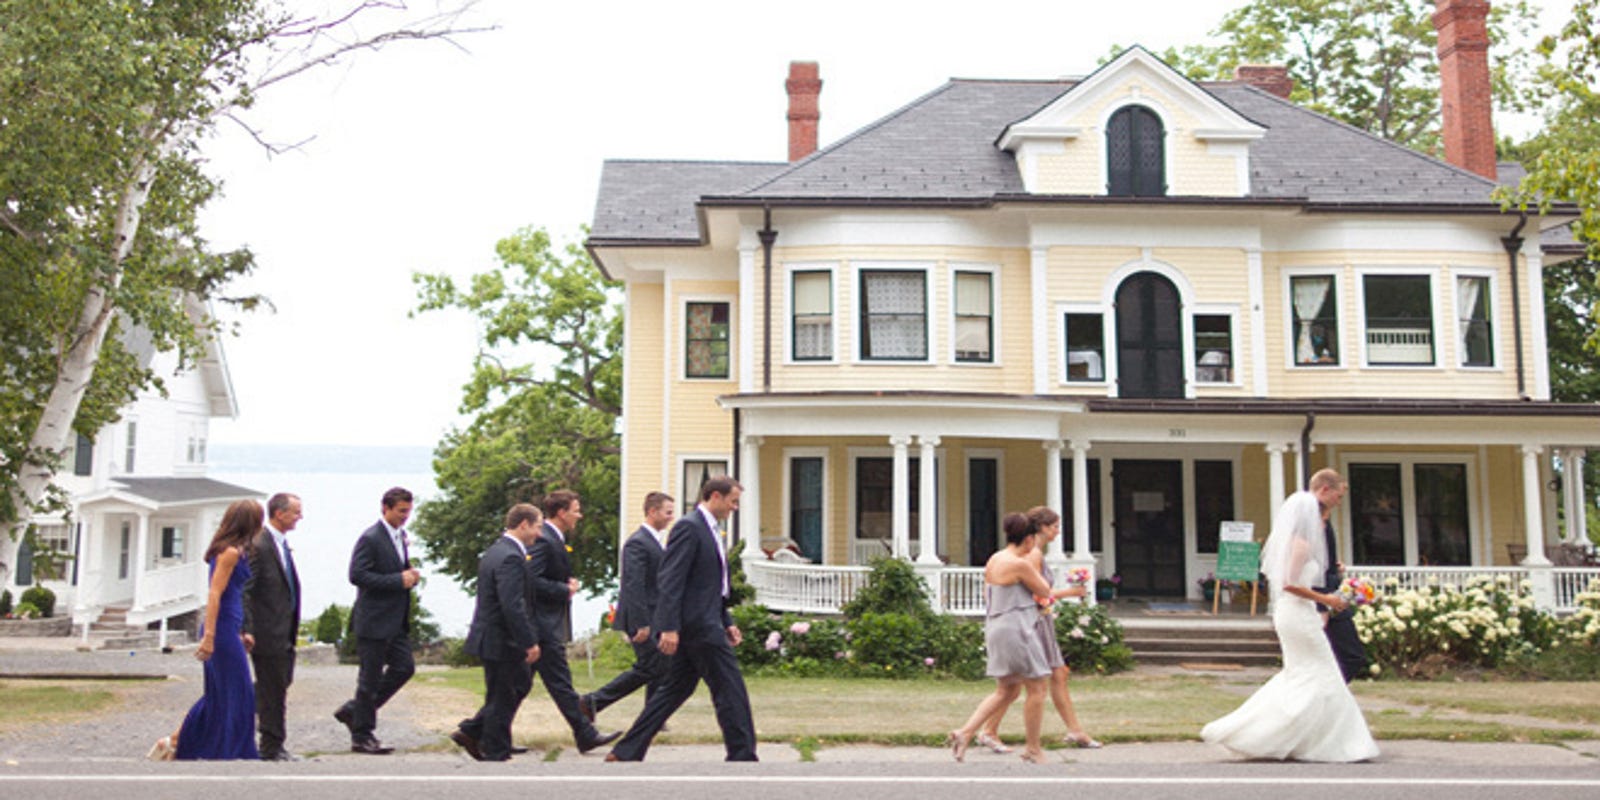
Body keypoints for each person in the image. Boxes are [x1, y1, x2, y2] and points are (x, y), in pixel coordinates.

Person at [1200, 470, 1379, 762]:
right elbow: (1288, 583)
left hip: (1298, 612)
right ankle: (1299, 736)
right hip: (1298, 614)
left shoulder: (1304, 544)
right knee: (1320, 673)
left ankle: (1306, 735)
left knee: (1306, 676)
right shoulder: (1302, 543)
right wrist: (1326, 600)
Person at [606, 477, 757, 762]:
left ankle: (626, 750)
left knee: (674, 690)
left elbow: (711, 585)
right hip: (697, 626)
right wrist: (669, 626)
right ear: (715, 496)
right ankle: (742, 755)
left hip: (708, 620)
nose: (735, 508)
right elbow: (671, 580)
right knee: (730, 688)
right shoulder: (690, 527)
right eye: (732, 501)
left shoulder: (712, 530)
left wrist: (727, 620)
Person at [974, 506, 1101, 753]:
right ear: (1042, 528)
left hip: (1036, 618)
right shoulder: (1031, 556)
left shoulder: (1034, 553)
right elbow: (1036, 592)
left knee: (1052, 675)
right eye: (1055, 526)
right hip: (1031, 621)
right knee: (1023, 682)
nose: (1057, 531)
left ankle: (1074, 730)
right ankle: (992, 731)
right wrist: (1071, 593)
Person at [147, 499, 262, 761]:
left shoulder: (238, 551)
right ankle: (182, 740)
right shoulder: (230, 552)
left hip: (230, 626)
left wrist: (240, 631)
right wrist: (209, 635)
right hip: (219, 627)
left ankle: (177, 741)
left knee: (226, 691)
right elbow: (215, 593)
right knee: (232, 690)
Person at [946, 512, 1056, 764]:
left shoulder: (995, 558)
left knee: (1006, 689)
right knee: (1037, 688)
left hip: (997, 624)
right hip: (1017, 627)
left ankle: (965, 732)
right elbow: (1044, 590)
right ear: (1029, 539)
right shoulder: (1019, 564)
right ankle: (1033, 748)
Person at [526, 490, 621, 753]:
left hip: (547, 625)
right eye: (576, 509)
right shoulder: (544, 539)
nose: (580, 515)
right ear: (561, 512)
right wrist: (564, 589)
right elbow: (531, 581)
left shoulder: (554, 538)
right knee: (558, 683)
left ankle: (476, 730)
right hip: (543, 625)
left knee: (520, 685)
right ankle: (585, 734)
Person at [451, 504, 544, 761]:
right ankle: (495, 748)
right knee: (504, 694)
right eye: (537, 527)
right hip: (501, 638)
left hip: (492, 635)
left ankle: (473, 731)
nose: (539, 533)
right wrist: (528, 641)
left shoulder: (495, 551)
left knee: (513, 687)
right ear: (523, 524)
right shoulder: (511, 557)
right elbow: (512, 605)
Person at [334, 487, 421, 755]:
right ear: (385, 508)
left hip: (395, 621)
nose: (405, 516)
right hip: (373, 620)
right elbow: (357, 575)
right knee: (369, 679)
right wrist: (398, 580)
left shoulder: (400, 536)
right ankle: (362, 735)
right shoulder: (371, 538)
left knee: (404, 667)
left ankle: (354, 711)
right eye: (401, 511)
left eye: (408, 511)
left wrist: (408, 574)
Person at [580, 491, 675, 722]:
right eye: (668, 512)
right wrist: (641, 622)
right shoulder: (637, 543)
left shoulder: (655, 542)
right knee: (651, 666)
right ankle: (593, 701)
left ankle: (653, 716)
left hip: (654, 616)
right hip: (640, 616)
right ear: (652, 512)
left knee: (660, 665)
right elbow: (633, 585)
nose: (671, 517)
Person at [241, 492, 304, 761]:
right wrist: (247, 627)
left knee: (278, 685)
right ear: (279, 513)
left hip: (284, 630)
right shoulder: (260, 544)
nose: (300, 517)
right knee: (272, 690)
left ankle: (260, 727)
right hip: (267, 630)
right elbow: (246, 588)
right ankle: (272, 745)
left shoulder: (280, 544)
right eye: (296, 512)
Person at [1310, 470, 1369, 683]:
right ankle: (1320, 697)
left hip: (1333, 592)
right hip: (1323, 597)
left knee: (1350, 657)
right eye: (1339, 495)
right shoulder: (1310, 521)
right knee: (1350, 657)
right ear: (1325, 489)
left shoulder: (1324, 519)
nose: (1340, 501)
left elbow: (1318, 559)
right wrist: (1321, 605)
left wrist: (1335, 565)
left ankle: (1325, 699)